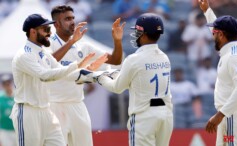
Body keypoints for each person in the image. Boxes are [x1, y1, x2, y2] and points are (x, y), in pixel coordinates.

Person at [10, 14, 107, 146]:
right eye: (45, 30)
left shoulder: (43, 53)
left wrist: (88, 71)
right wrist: (77, 65)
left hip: (46, 111)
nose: (49, 33)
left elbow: (63, 72)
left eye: (49, 30)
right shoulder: (24, 55)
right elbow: (45, 75)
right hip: (28, 112)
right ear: (33, 31)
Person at [47, 5, 125, 146]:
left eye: (73, 18)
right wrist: (72, 42)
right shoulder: (47, 43)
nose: (72, 22)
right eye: (67, 19)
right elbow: (48, 63)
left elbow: (116, 60)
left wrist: (117, 41)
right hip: (54, 105)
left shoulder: (83, 46)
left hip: (77, 104)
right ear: (57, 24)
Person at [95, 13, 173, 146]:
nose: (136, 35)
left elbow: (117, 87)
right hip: (165, 116)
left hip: (144, 117)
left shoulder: (134, 59)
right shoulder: (164, 57)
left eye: (137, 31)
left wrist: (99, 77)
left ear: (144, 34)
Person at [198, 0, 237, 145]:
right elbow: (217, 30)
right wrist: (207, 11)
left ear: (222, 34)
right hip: (230, 114)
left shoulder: (234, 56)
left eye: (215, 32)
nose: (212, 35)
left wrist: (221, 115)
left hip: (232, 115)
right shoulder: (231, 49)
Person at [0, 74, 16, 146]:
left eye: (8, 83)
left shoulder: (17, 96)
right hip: (5, 130)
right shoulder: (1, 97)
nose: (7, 85)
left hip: (17, 130)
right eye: (5, 83)